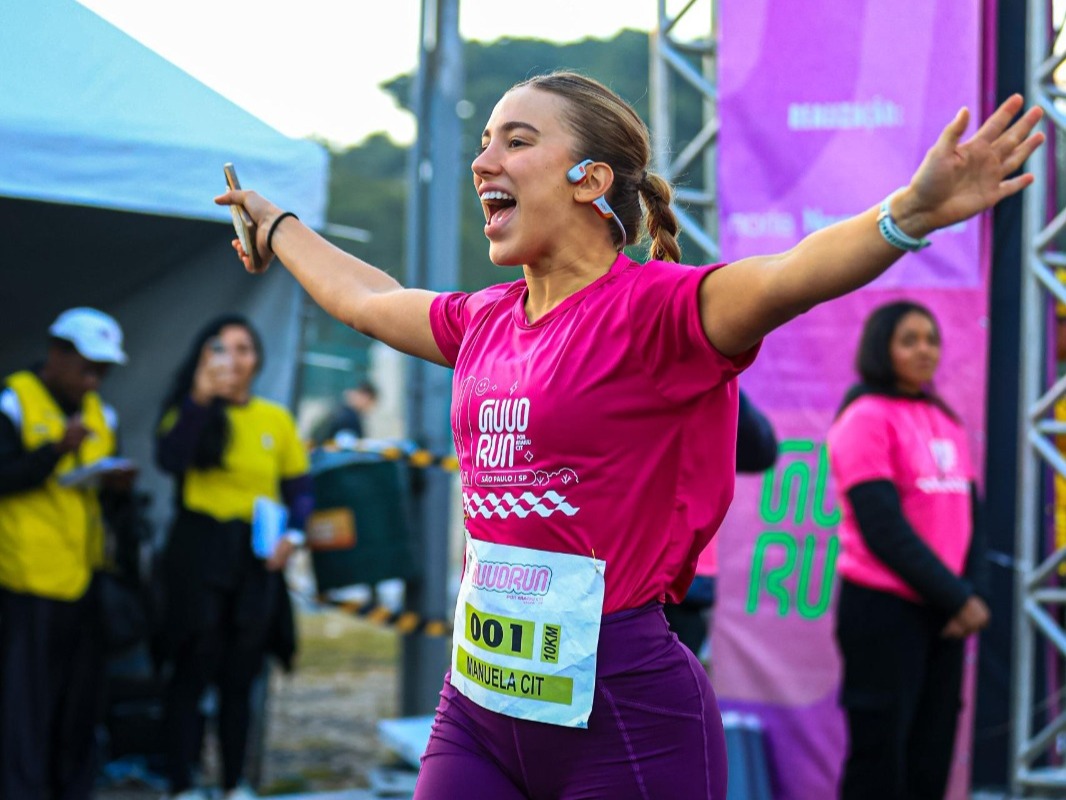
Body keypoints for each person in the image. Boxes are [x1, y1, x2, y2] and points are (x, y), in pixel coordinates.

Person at [215, 70, 1042, 799]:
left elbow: (792, 275)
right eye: (484, 141)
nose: (483, 161)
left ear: (590, 178)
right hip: (480, 704)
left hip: (625, 710)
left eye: (516, 140)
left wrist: (910, 213)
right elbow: (366, 298)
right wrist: (278, 223)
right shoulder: (483, 320)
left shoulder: (657, 311)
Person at [826, 300, 990, 800]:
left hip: (943, 613)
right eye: (910, 340)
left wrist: (966, 594)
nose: (926, 350)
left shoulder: (945, 419)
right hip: (884, 612)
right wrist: (958, 599)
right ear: (883, 348)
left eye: (932, 339)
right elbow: (883, 528)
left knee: (931, 755)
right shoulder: (864, 417)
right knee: (880, 758)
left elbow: (970, 521)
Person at [153, 314, 312, 800]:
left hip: (255, 559)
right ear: (204, 358)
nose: (233, 360)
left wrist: (295, 535)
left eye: (243, 349)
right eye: (220, 349)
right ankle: (183, 781)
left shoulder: (275, 418)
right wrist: (200, 397)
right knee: (191, 668)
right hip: (199, 556)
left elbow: (299, 489)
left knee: (240, 674)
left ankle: (233, 782)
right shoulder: (190, 410)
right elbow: (170, 459)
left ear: (258, 360)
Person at [0, 307, 133, 800]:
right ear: (57, 354)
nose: (94, 381)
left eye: (103, 372)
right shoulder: (13, 401)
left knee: (77, 704)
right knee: (25, 707)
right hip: (24, 582)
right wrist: (55, 451)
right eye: (87, 368)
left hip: (83, 580)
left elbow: (104, 502)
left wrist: (118, 487)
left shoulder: (104, 414)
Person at [664, 389, 778, 661]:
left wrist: (720, 376)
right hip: (612, 569)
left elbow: (761, 450)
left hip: (683, 577)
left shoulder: (710, 379)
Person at [314, 379, 378, 444]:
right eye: (371, 403)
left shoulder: (340, 409)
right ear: (366, 397)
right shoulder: (349, 417)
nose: (370, 408)